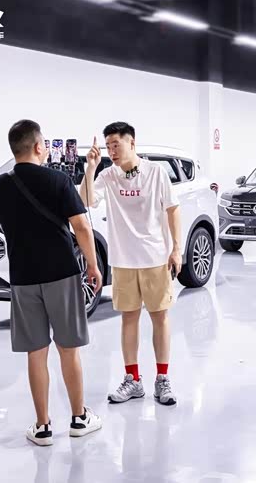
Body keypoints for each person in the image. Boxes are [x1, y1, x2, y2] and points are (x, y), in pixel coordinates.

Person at [0, 119, 103, 446]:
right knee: (68, 350)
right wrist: (93, 265)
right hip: (61, 274)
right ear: (39, 146)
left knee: (35, 353)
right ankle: (79, 418)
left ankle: (42, 427)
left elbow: (2, 225)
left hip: (23, 278)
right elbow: (81, 226)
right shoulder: (58, 180)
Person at [79, 121, 181, 406]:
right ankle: (133, 380)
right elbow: (85, 200)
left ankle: (162, 379)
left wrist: (177, 249)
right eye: (108, 146)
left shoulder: (155, 172)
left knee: (159, 317)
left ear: (132, 143)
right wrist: (91, 168)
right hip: (123, 261)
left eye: (116, 144)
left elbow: (173, 210)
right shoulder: (108, 176)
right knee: (129, 318)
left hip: (155, 258)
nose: (112, 151)